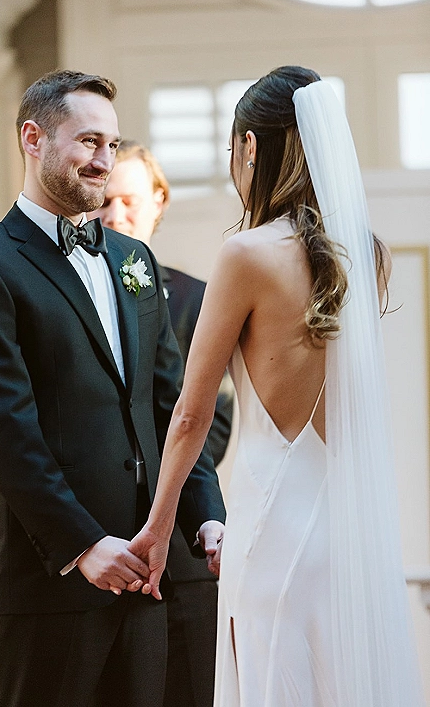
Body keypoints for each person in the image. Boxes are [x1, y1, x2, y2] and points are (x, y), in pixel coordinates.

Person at [131, 67, 424, 706]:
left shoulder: (247, 256)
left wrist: (157, 528)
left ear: (251, 149)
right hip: (346, 529)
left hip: (270, 528)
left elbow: (190, 413)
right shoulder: (366, 254)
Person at [0, 70, 226, 707]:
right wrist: (83, 545)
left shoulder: (134, 260)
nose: (104, 161)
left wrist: (207, 515)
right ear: (33, 138)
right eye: (88, 142)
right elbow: (3, 432)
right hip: (52, 587)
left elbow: (173, 407)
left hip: (152, 577)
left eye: (113, 145)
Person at [97, 139, 234, 707]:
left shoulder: (202, 299)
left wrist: (167, 487)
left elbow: (216, 421)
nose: (114, 213)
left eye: (127, 200)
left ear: (159, 201)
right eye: (104, 202)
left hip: (182, 542)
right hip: (104, 542)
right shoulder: (78, 289)